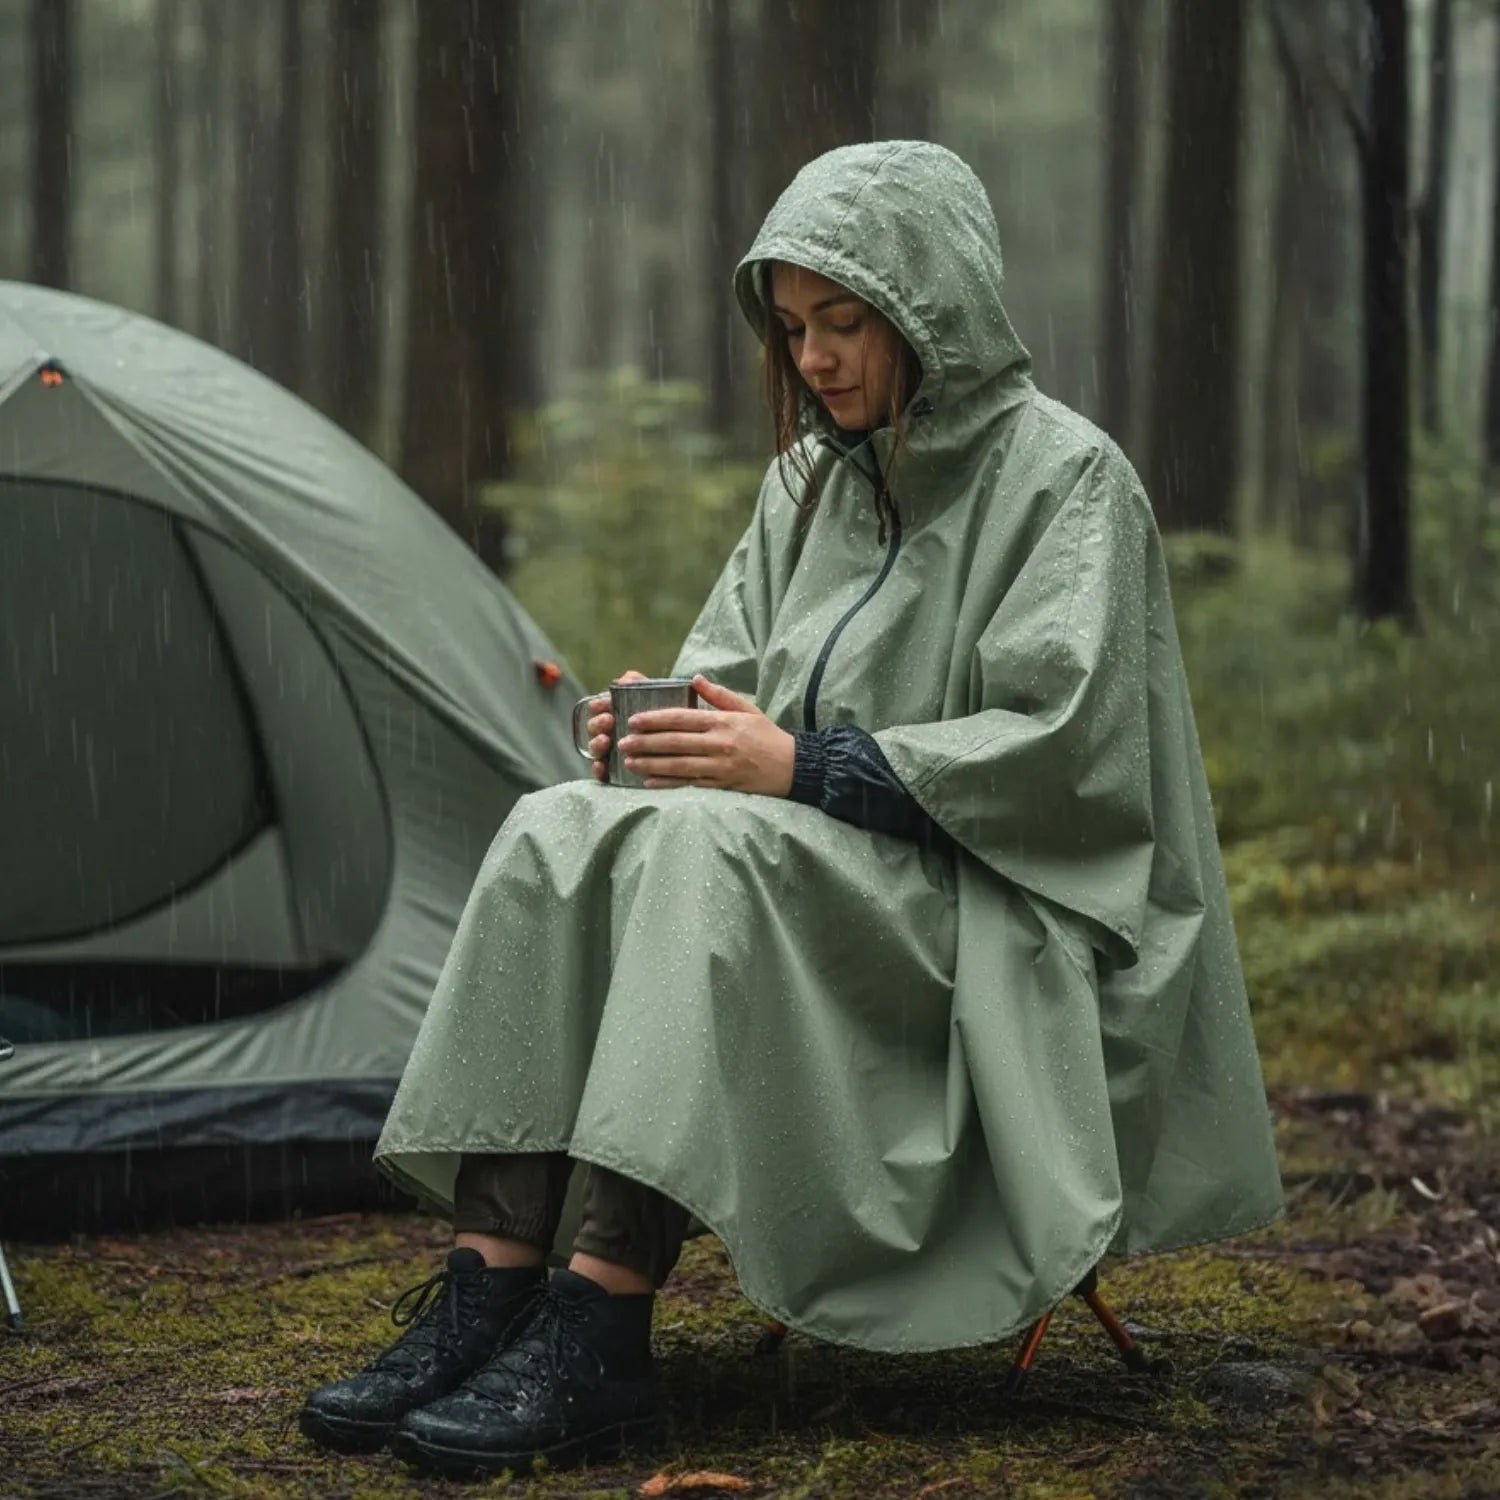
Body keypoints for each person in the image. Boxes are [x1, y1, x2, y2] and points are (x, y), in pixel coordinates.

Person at [299, 140, 1284, 1480]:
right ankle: (492, 1285)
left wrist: (805, 769)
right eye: (791, 328)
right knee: (554, 829)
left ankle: (602, 1322)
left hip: (996, 917)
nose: (812, 360)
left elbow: (1062, 757)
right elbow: (736, 688)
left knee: (708, 858)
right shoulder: (809, 484)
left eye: (843, 322)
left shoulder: (1069, 482)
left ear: (929, 309)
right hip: (817, 883)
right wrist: (655, 727)